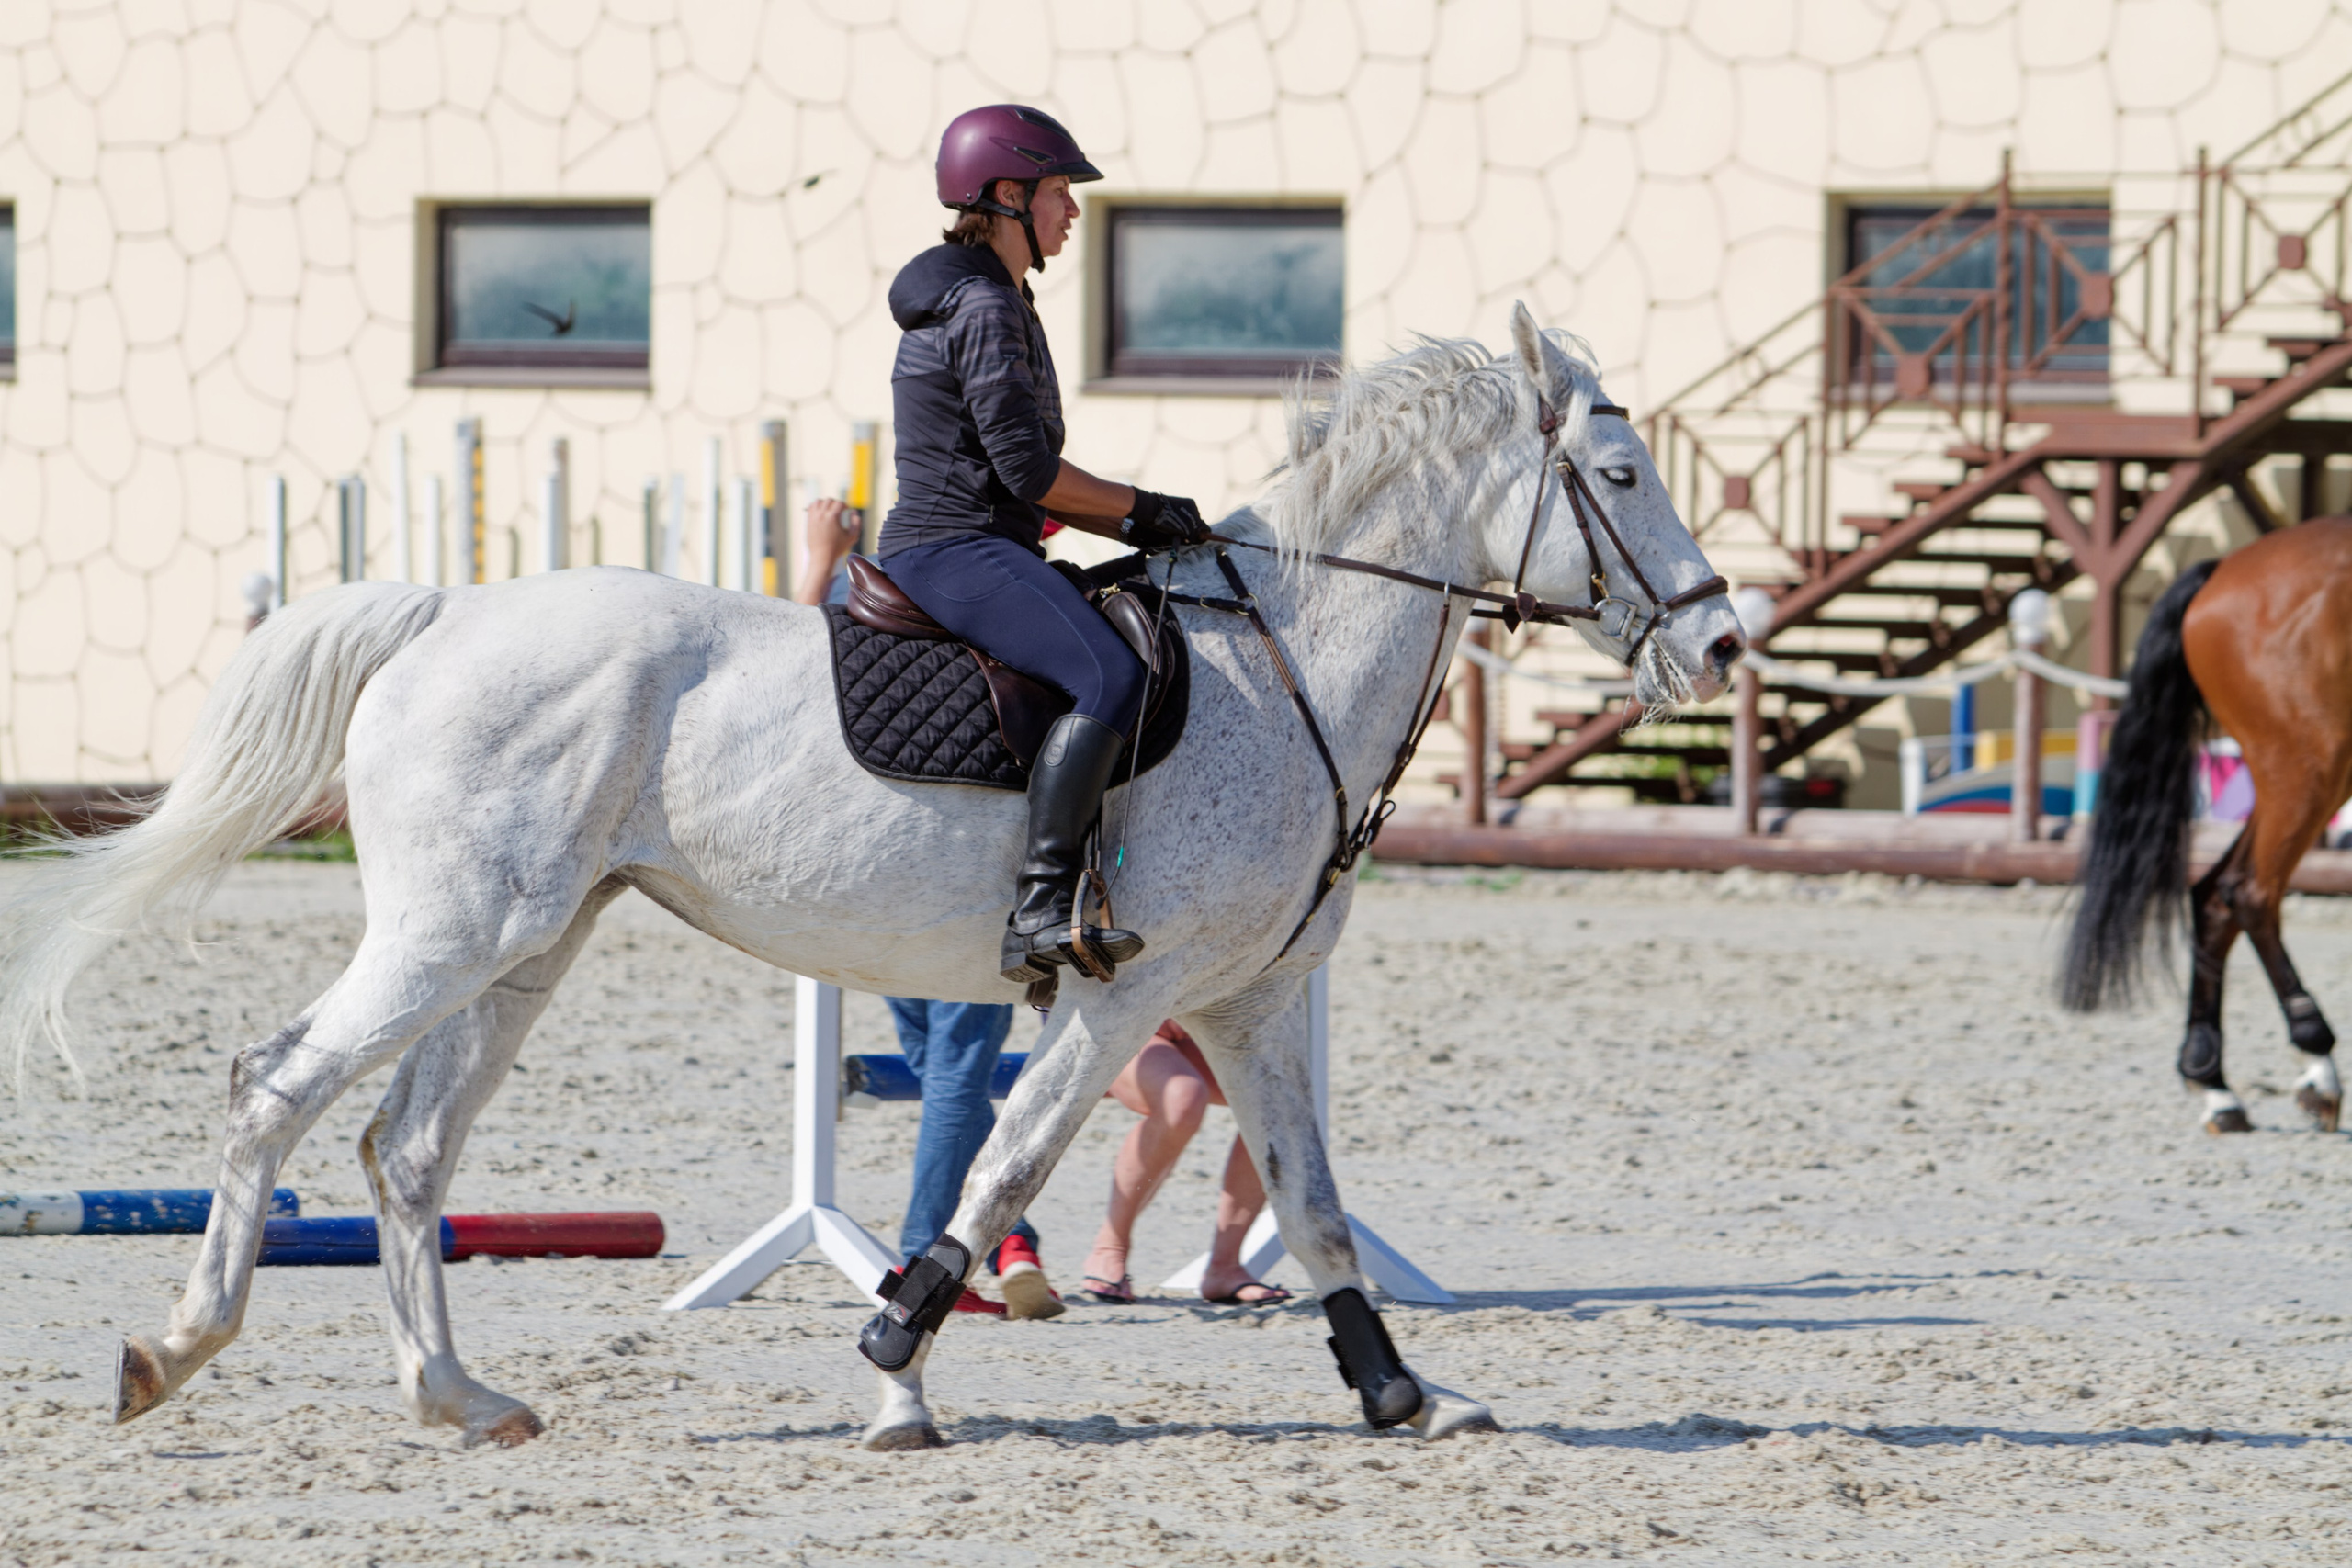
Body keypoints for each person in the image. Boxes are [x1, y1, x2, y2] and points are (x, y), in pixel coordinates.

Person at [878, 103, 1213, 987]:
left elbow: (1022, 481)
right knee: (1111, 674)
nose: (1073, 209)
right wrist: (1142, 507)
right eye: (1060, 190)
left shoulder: (999, 296)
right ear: (1007, 195)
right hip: (952, 547)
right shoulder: (984, 304)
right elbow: (1028, 471)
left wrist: (1138, 525)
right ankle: (1038, 908)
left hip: (982, 540)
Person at [797, 500, 1063, 1321]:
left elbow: (793, 669)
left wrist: (821, 557)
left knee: (948, 1068)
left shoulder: (881, 589)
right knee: (957, 1072)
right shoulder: (1032, 609)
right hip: (971, 866)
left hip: (880, 867)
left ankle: (1008, 1235)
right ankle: (930, 1252)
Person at [1080, 1021, 1291, 1307]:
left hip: (1203, 1024)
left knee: (1277, 1100)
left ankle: (1225, 1267)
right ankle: (1109, 1248)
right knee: (1181, 1097)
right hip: (1113, 1022)